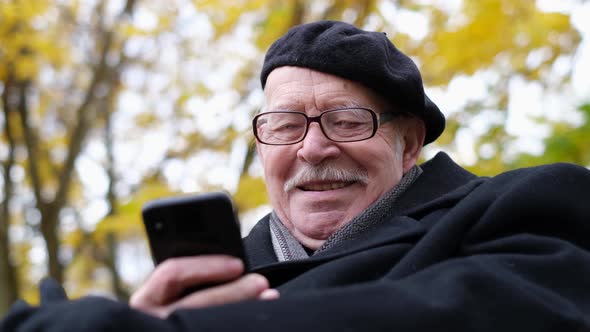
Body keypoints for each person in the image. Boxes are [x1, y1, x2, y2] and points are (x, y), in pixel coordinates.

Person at [2, 20, 590, 332]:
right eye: (284, 125)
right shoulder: (210, 276)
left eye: (344, 120)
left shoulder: (518, 211)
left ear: (407, 142)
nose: (311, 148)